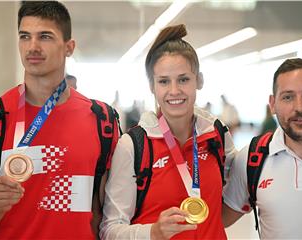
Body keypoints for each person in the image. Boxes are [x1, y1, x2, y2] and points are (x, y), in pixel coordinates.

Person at [0, 2, 119, 239]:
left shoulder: (102, 122)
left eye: (45, 36)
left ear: (69, 47)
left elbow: (105, 217)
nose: (32, 47)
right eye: (25, 37)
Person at [100, 24, 236, 239]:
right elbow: (110, 230)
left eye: (183, 79)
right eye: (164, 81)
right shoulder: (134, 145)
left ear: (199, 80)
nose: (174, 91)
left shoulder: (216, 134)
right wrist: (152, 232)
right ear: (152, 86)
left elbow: (237, 197)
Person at [223, 58, 302, 239]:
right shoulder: (252, 158)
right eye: (288, 97)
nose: (299, 107)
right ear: (273, 104)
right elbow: (219, 219)